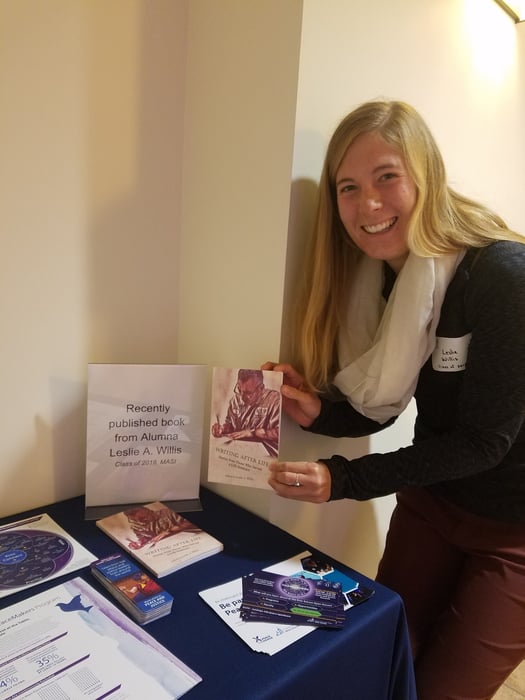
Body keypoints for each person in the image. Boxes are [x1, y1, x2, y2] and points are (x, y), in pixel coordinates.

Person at [263, 99, 525, 700]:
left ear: (424, 177)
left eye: (387, 177)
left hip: (515, 526)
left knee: (443, 690)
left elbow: (485, 441)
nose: (368, 206)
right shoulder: (381, 275)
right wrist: (320, 413)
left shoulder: (503, 276)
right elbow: (390, 393)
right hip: (434, 503)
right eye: (348, 187)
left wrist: (344, 479)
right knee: (386, 659)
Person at [211, 369, 280, 456]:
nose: (242, 398)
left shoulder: (275, 400)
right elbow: (231, 425)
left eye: (248, 393)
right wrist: (222, 429)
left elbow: (279, 433)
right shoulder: (235, 400)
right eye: (239, 390)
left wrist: (253, 433)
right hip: (238, 452)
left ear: (261, 388)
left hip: (264, 456)